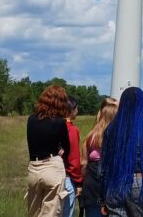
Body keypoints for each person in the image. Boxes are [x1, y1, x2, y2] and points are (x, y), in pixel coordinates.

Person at [101, 87, 143, 217]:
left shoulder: (111, 129)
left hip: (115, 183)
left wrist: (102, 199)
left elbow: (103, 168)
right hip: (140, 183)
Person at [28, 84, 73, 217]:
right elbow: (67, 148)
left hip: (34, 168)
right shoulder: (59, 122)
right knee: (51, 212)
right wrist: (60, 149)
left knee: (33, 212)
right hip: (52, 166)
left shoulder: (31, 120)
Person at [82, 97, 118, 217]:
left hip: (92, 185)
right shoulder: (118, 137)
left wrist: (81, 183)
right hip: (112, 186)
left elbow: (83, 163)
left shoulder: (90, 136)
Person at [64, 97, 84, 217]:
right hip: (67, 179)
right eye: (76, 108)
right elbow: (74, 158)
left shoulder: (54, 125)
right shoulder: (71, 129)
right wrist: (78, 182)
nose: (77, 110)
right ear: (71, 110)